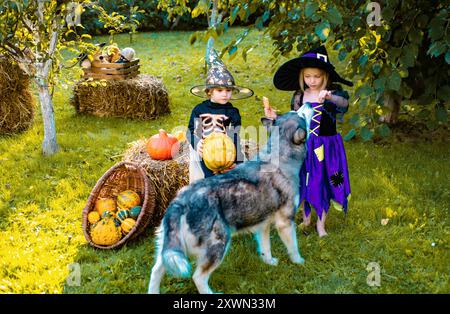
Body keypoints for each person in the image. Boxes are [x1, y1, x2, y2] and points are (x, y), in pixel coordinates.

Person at [264, 45, 353, 237]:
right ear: (302, 76)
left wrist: (328, 97)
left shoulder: (334, 94)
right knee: (304, 180)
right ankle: (306, 219)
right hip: (304, 147)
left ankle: (321, 224)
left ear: (326, 76)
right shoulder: (299, 96)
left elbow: (344, 104)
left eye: (317, 77)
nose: (312, 81)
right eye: (307, 77)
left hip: (326, 148)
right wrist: (275, 117)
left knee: (323, 182)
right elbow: (295, 120)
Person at [187, 49, 254, 182]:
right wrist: (197, 143)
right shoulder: (199, 110)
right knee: (210, 180)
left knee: (232, 180)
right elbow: (189, 131)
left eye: (228, 90)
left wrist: (236, 162)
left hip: (226, 152)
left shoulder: (232, 113)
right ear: (209, 92)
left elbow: (235, 138)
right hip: (206, 152)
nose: (225, 94)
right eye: (219, 90)